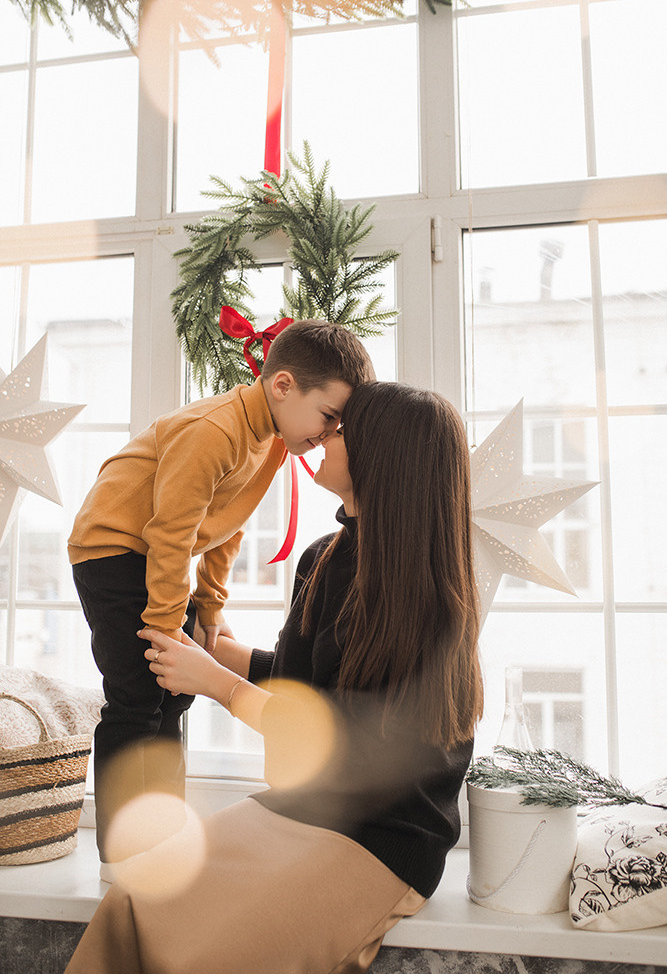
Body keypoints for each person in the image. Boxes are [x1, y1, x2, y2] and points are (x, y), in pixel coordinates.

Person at [65, 381, 484, 974]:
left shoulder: (420, 593)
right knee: (133, 900)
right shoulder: (324, 558)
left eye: (342, 428)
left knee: (215, 958)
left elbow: (342, 735)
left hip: (380, 838)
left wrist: (217, 683)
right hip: (300, 808)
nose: (324, 436)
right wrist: (222, 653)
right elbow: (308, 685)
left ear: (381, 456)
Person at [68, 319, 375, 875]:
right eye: (329, 417)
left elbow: (226, 525)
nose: (331, 433)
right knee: (137, 696)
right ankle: (121, 852)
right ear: (282, 386)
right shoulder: (214, 431)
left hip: (158, 559)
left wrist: (208, 610)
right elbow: (170, 533)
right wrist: (165, 627)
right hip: (113, 552)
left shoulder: (273, 443)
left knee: (175, 695)